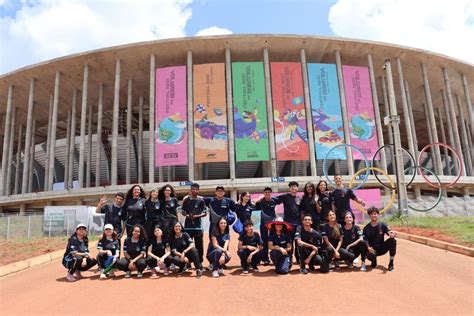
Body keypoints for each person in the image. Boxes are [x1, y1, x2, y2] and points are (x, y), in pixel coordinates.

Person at [363, 206, 397, 271]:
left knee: (392, 241)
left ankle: (391, 263)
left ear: (378, 215)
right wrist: (368, 247)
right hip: (372, 250)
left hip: (382, 248)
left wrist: (391, 234)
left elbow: (389, 232)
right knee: (372, 259)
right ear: (369, 215)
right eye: (371, 214)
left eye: (375, 214)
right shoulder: (366, 228)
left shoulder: (383, 224)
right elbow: (365, 240)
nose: (374, 215)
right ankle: (373, 261)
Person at [255, 187, 282, 265]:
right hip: (263, 224)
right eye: (265, 192)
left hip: (273, 224)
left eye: (269, 192)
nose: (267, 193)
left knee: (273, 239)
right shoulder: (260, 202)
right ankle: (265, 259)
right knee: (264, 241)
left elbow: (283, 200)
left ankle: (277, 256)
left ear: (271, 193)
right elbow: (253, 206)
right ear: (263, 193)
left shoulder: (274, 200)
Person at [181, 183, 207, 263]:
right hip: (188, 227)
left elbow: (205, 212)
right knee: (187, 245)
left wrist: (196, 216)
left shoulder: (201, 200)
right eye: (193, 189)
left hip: (198, 227)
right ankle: (188, 262)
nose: (195, 190)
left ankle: (199, 262)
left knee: (199, 246)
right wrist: (187, 215)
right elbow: (183, 211)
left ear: (198, 190)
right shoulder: (186, 200)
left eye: (196, 189)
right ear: (190, 190)